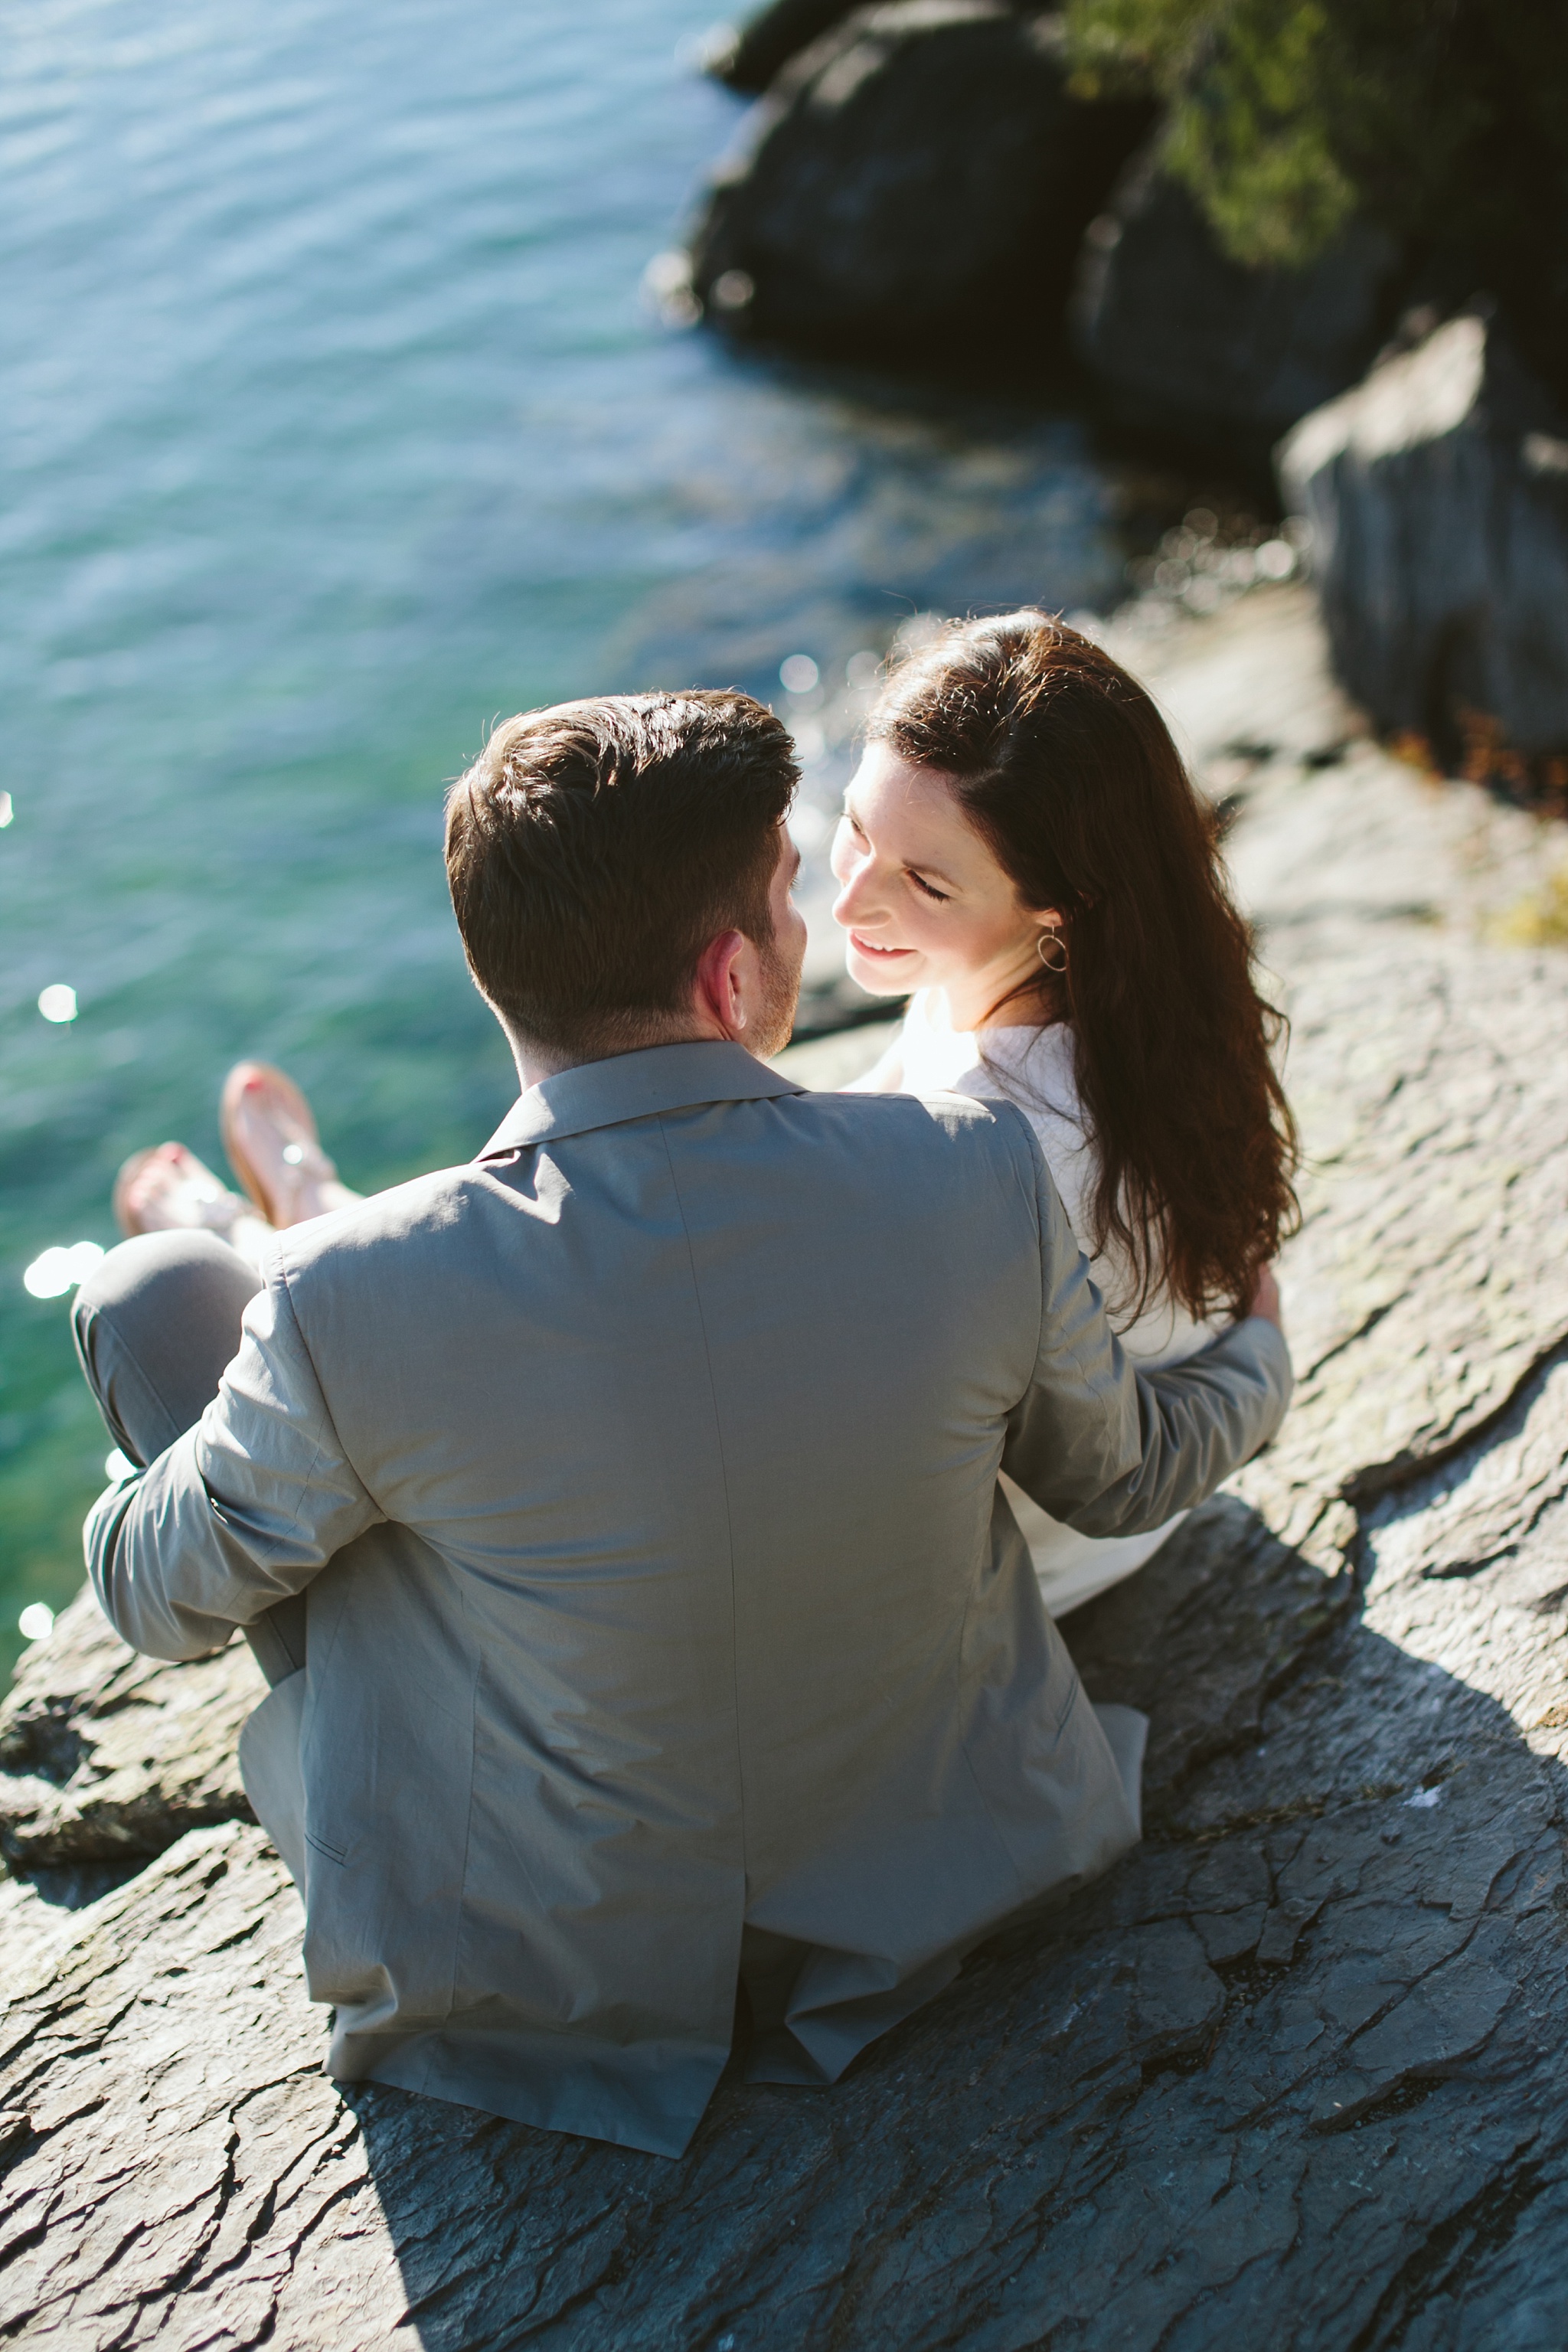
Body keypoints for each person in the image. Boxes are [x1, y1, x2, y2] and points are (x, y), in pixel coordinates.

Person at [73, 687, 1292, 2160]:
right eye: (794, 883)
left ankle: (248, 1235)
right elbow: (1128, 1474)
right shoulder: (973, 1173)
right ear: (731, 975)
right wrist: (1263, 1355)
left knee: (152, 1298)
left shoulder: (354, 1300)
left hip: (556, 1964)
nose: (825, 911)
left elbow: (152, 1599)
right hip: (948, 1871)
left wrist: (284, 1427)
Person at [831, 612, 1298, 1617]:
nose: (850, 904)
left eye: (924, 881)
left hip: (1039, 1556)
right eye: (856, 828)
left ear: (1057, 906)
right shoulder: (1113, 987)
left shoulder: (1001, 1146)